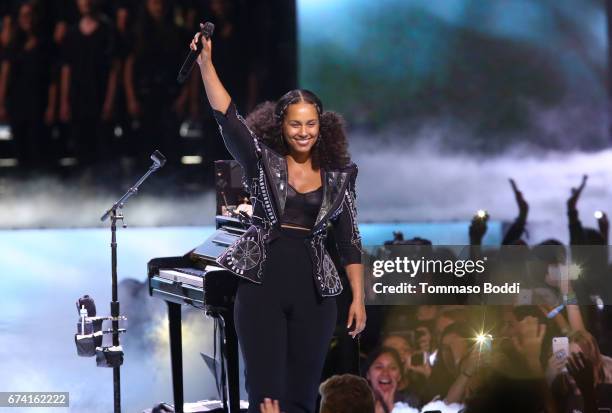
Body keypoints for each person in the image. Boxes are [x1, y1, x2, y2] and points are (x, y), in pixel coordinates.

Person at [190, 27, 366, 413]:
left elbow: (349, 239)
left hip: (316, 293)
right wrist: (206, 64)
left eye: (310, 124)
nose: (303, 132)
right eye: (295, 124)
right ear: (281, 127)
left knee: (302, 398)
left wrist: (359, 297)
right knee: (266, 398)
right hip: (262, 287)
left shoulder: (340, 175)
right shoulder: (262, 163)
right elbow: (229, 119)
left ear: (322, 127)